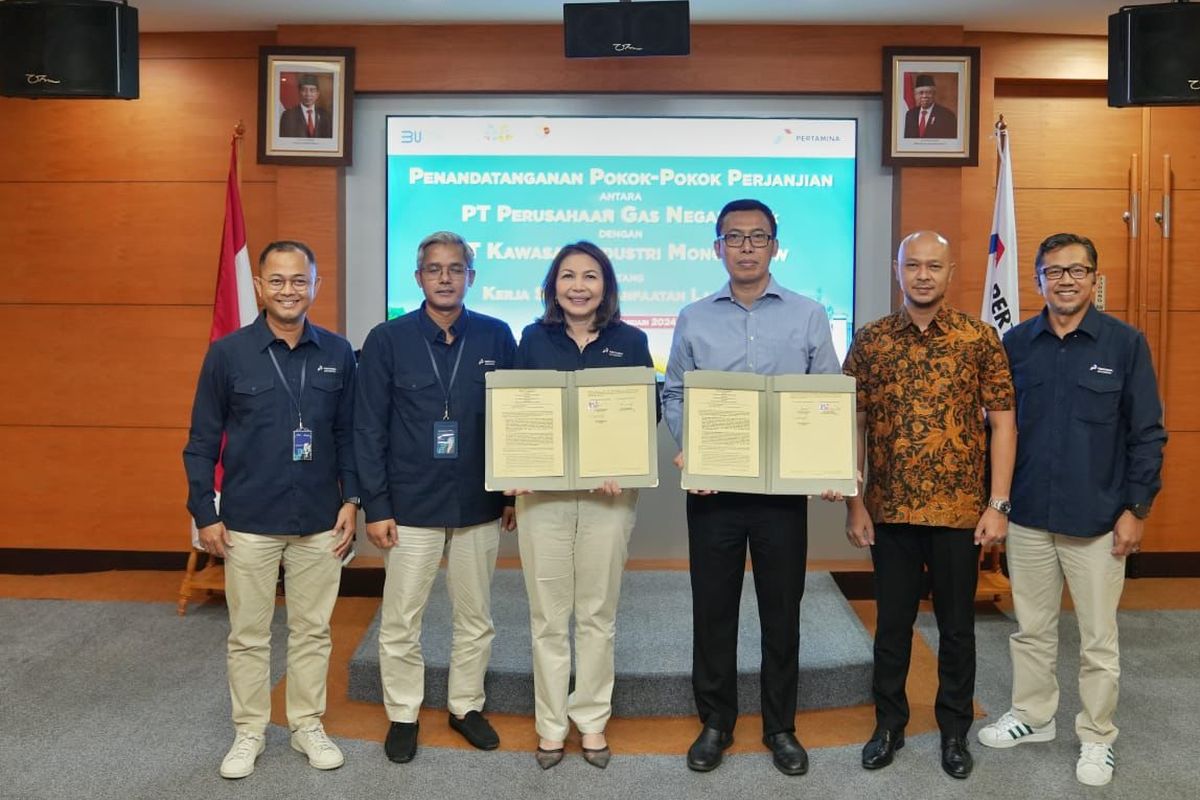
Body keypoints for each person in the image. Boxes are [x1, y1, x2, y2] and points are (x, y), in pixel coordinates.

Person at [977, 233, 1166, 787]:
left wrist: (1136, 508)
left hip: (1099, 521)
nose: (1065, 280)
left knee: (1097, 638)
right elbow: (995, 431)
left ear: (1093, 278)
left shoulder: (1124, 345)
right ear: (1037, 280)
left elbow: (1148, 433)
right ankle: (1033, 717)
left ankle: (1096, 736)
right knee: (1030, 629)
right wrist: (998, 504)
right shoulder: (1015, 343)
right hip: (1029, 516)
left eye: (1076, 271)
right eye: (1053, 271)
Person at [663, 198, 841, 776]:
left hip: (781, 496)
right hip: (713, 492)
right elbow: (675, 392)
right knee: (713, 610)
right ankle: (715, 723)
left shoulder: (809, 314)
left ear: (774, 246)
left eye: (756, 237)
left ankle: (780, 727)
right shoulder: (694, 316)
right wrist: (692, 446)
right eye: (733, 237)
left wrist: (825, 462)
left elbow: (827, 397)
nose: (745, 247)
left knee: (781, 611)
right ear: (717, 247)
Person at [839, 230, 1015, 780]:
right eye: (912, 265)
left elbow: (1004, 423)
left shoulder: (978, 338)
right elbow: (853, 423)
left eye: (933, 266)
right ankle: (888, 724)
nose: (922, 275)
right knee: (891, 626)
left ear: (950, 271)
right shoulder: (870, 341)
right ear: (897, 270)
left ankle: (954, 731)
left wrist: (999, 504)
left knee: (957, 629)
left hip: (961, 513)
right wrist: (854, 502)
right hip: (888, 510)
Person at [182, 240, 359, 779]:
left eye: (299, 280)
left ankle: (306, 725)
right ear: (259, 286)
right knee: (249, 634)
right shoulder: (228, 354)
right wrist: (204, 514)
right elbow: (201, 441)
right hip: (248, 522)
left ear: (316, 286)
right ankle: (250, 731)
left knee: (312, 631)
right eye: (277, 281)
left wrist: (352, 499)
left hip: (320, 521)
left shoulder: (337, 352)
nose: (289, 290)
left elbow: (349, 435)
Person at [354, 231, 517, 764]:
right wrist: (376, 506)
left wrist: (512, 493)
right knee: (402, 619)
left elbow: (512, 422)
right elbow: (369, 428)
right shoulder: (387, 339)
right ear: (418, 278)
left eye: (455, 269)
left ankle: (465, 706)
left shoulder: (497, 336)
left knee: (476, 616)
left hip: (478, 502)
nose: (445, 278)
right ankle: (403, 713)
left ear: (471, 276)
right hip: (409, 506)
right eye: (433, 269)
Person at [510, 241, 657, 770]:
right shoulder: (531, 339)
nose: (578, 285)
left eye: (590, 276)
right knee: (548, 616)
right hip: (542, 498)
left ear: (606, 285)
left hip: (608, 497)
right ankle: (550, 726)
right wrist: (515, 470)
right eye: (568, 276)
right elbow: (515, 413)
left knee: (597, 612)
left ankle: (592, 722)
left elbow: (648, 413)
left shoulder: (632, 340)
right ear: (553, 285)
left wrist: (627, 459)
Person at [903, 74, 958, 139]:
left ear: (934, 94)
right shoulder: (910, 114)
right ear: (915, 95)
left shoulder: (947, 115)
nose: (924, 96)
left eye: (928, 92)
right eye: (921, 93)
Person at [279, 74, 333, 138]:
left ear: (317, 94)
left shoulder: (325, 115)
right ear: (299, 92)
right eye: (304, 90)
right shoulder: (288, 115)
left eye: (312, 90)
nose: (308, 94)